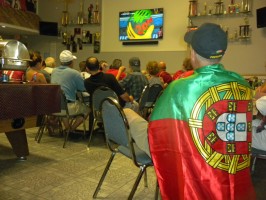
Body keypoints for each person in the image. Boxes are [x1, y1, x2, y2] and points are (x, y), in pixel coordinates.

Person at [148, 23, 256, 199]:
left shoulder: (180, 88)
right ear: (223, 53)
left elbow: (159, 130)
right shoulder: (242, 85)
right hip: (231, 176)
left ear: (192, 54)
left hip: (198, 177)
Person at [84, 56, 138, 131]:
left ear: (87, 69)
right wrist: (130, 99)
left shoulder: (87, 82)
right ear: (99, 66)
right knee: (135, 104)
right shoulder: (110, 78)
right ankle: (128, 130)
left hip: (98, 112)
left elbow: (99, 80)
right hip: (114, 109)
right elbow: (124, 97)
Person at [51, 50, 89, 138]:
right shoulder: (74, 73)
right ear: (71, 62)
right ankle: (70, 129)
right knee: (87, 109)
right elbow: (83, 88)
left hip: (53, 107)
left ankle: (67, 129)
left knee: (63, 103)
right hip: (67, 107)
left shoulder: (54, 71)